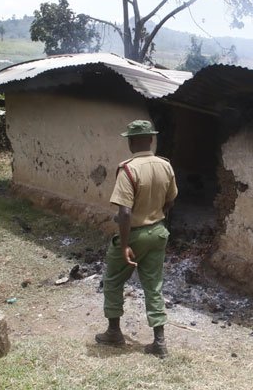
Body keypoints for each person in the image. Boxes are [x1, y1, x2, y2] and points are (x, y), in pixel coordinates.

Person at [95, 119, 177, 359]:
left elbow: (125, 212)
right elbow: (171, 200)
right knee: (154, 286)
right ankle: (159, 342)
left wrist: (125, 245)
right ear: (151, 139)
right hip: (158, 232)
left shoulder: (128, 169)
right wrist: (156, 215)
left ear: (131, 141)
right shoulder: (165, 166)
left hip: (134, 234)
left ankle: (114, 332)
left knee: (112, 280)